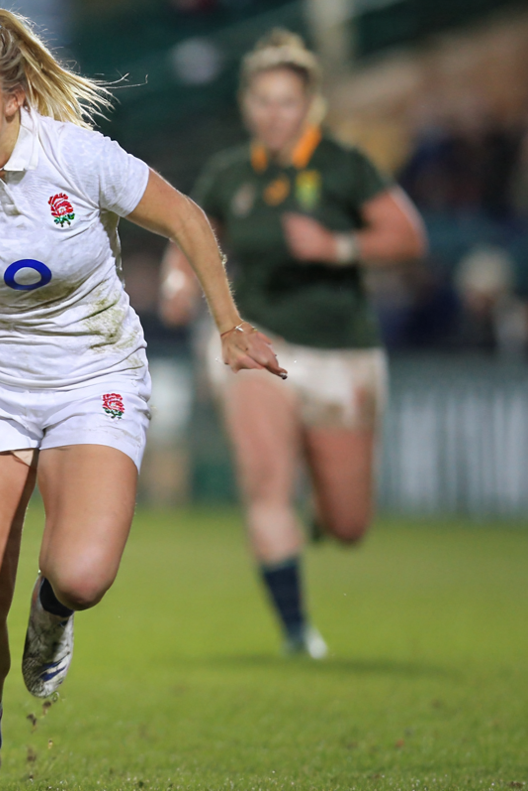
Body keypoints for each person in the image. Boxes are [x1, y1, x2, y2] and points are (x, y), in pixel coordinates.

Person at [0, 9, 285, 791]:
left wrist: (229, 324)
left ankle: (52, 611)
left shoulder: (77, 155)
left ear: (15, 98)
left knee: (83, 574)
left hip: (96, 374)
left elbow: (187, 220)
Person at [159, 30, 425, 659]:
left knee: (348, 524)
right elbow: (188, 233)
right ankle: (298, 631)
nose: (273, 113)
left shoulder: (343, 165)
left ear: (310, 105)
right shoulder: (230, 172)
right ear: (247, 104)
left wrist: (338, 247)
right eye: (263, 100)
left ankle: (321, 507)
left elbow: (407, 237)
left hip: (340, 350)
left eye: (286, 101)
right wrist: (176, 280)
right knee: (265, 483)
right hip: (260, 340)